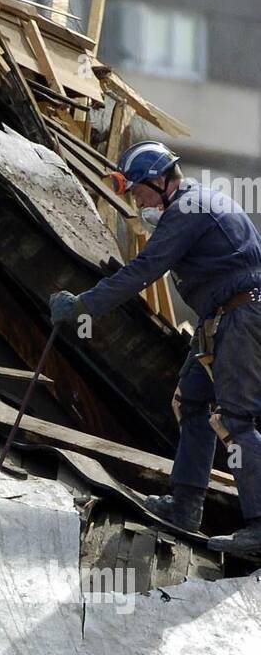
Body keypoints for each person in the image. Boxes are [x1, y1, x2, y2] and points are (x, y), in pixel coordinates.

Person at [50, 141, 261, 555]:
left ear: (160, 180)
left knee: (237, 418)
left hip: (241, 317)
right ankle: (185, 506)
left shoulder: (187, 208)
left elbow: (145, 269)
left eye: (138, 190)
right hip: (223, 316)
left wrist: (83, 305)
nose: (136, 200)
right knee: (192, 401)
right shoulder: (194, 203)